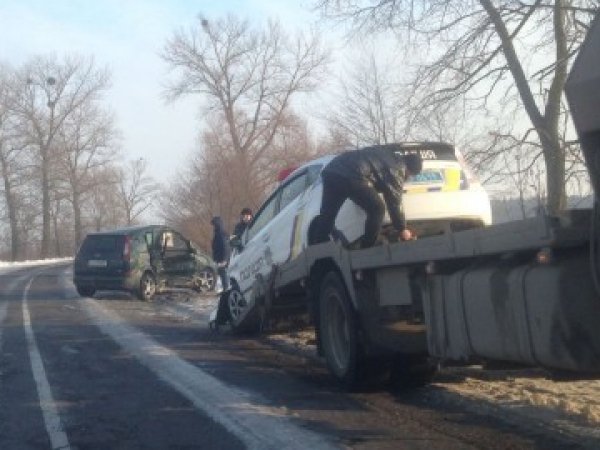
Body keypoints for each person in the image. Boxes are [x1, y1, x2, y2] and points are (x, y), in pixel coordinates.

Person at [314, 145, 423, 248]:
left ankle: (318, 249)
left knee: (328, 215)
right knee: (377, 209)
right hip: (352, 174)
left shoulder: (389, 157)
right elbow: (394, 202)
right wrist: (402, 229)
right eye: (411, 176)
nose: (408, 178)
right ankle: (368, 248)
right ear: (410, 169)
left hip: (332, 170)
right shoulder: (398, 168)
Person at [211, 216, 231, 291]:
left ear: (217, 224)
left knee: (224, 275)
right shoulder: (218, 233)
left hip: (222, 259)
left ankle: (227, 290)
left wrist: (224, 260)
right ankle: (225, 290)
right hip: (219, 259)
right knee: (222, 275)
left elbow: (226, 247)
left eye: (214, 225)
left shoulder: (221, 234)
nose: (213, 227)